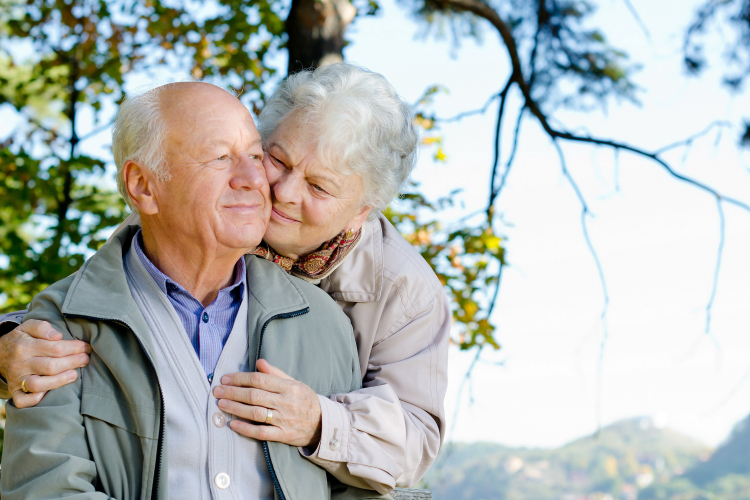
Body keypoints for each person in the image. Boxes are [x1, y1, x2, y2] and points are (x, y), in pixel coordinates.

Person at [0, 63, 450, 493]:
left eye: (319, 187)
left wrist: (319, 420)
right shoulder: (200, 211)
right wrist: (8, 345)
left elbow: (415, 442)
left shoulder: (400, 292)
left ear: (361, 211)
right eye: (276, 159)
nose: (281, 192)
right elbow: (101, 301)